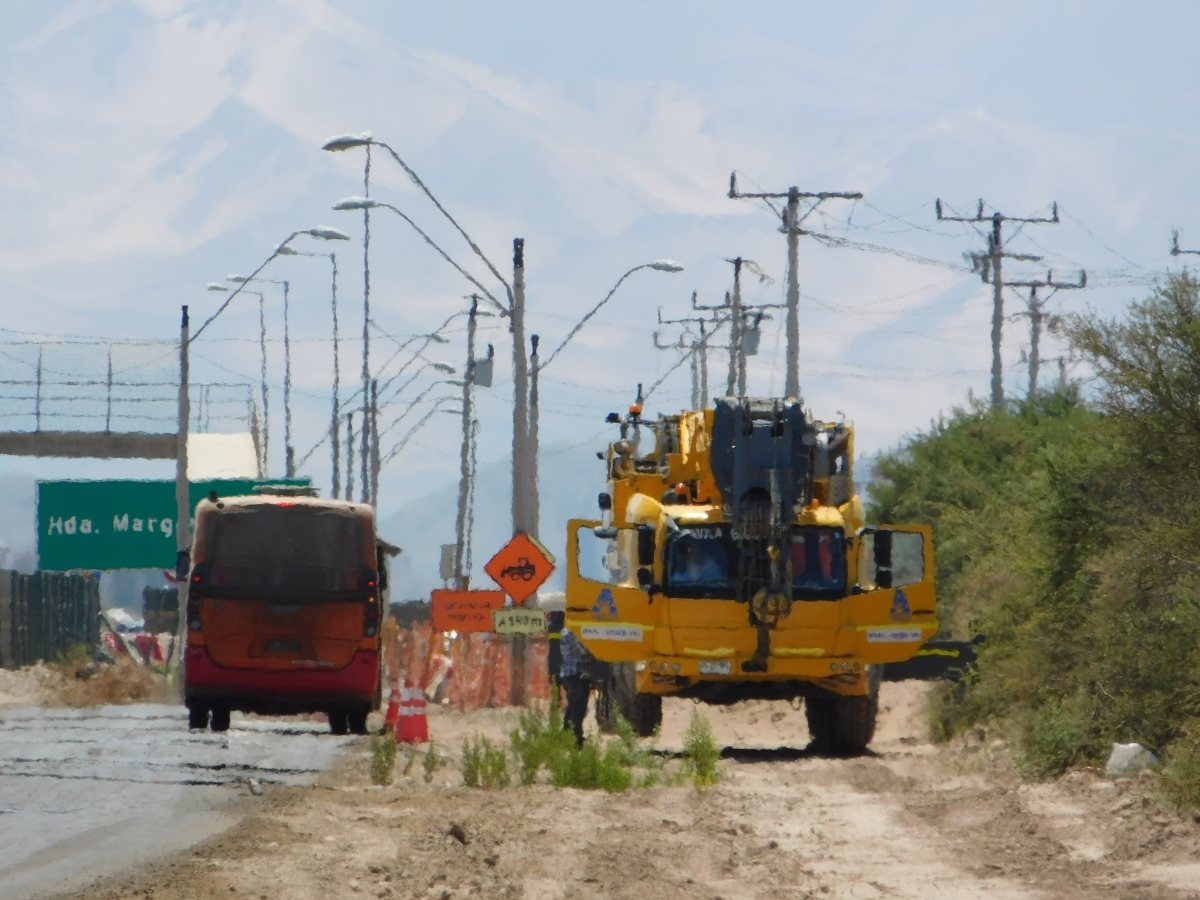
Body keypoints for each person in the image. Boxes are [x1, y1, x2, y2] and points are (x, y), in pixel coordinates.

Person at [558, 626, 593, 746]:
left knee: (574, 704)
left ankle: (567, 732)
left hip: (571, 673)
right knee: (578, 706)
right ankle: (576, 737)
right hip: (576, 673)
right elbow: (584, 651)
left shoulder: (566, 631)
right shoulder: (572, 632)